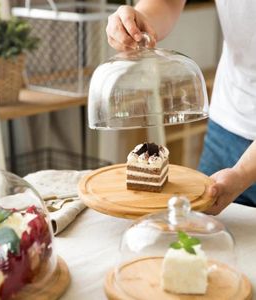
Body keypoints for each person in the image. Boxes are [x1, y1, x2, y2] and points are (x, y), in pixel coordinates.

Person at [106, 0, 256, 215]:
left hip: (242, 164)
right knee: (197, 242)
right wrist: (140, 23)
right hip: (226, 129)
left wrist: (243, 174)